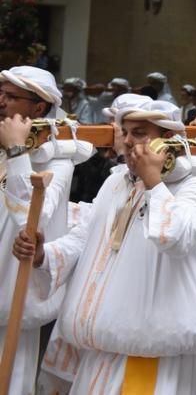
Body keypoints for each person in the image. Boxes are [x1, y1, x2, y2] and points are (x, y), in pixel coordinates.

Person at [13, 99, 196, 393]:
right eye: (127, 132)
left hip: (154, 358)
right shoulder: (117, 183)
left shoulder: (190, 186)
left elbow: (178, 237)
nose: (130, 140)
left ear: (168, 140)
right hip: (104, 353)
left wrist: (154, 184)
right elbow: (86, 238)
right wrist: (44, 254)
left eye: (141, 132)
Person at [0, 67, 90, 395]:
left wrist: (16, 152)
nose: (1, 102)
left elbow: (29, 216)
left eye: (11, 97)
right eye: (1, 94)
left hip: (11, 298)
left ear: (38, 108)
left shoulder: (60, 162)